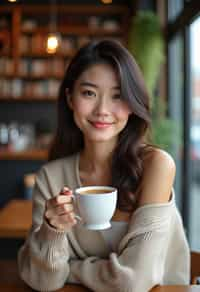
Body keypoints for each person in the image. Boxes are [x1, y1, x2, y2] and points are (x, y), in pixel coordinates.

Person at [18, 39, 190, 292]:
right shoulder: (52, 177)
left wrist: (71, 269)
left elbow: (134, 282)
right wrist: (52, 231)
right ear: (70, 98)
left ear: (132, 104)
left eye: (118, 96)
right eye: (89, 93)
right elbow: (43, 282)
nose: (102, 110)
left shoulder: (156, 166)